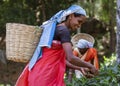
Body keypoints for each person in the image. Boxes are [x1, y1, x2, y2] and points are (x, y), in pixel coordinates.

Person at [15, 5, 98, 86]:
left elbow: (60, 60)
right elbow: (70, 57)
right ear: (71, 16)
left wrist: (79, 68)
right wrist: (91, 66)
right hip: (45, 75)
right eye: (79, 21)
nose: (79, 25)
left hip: (41, 72)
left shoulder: (56, 29)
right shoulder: (63, 30)